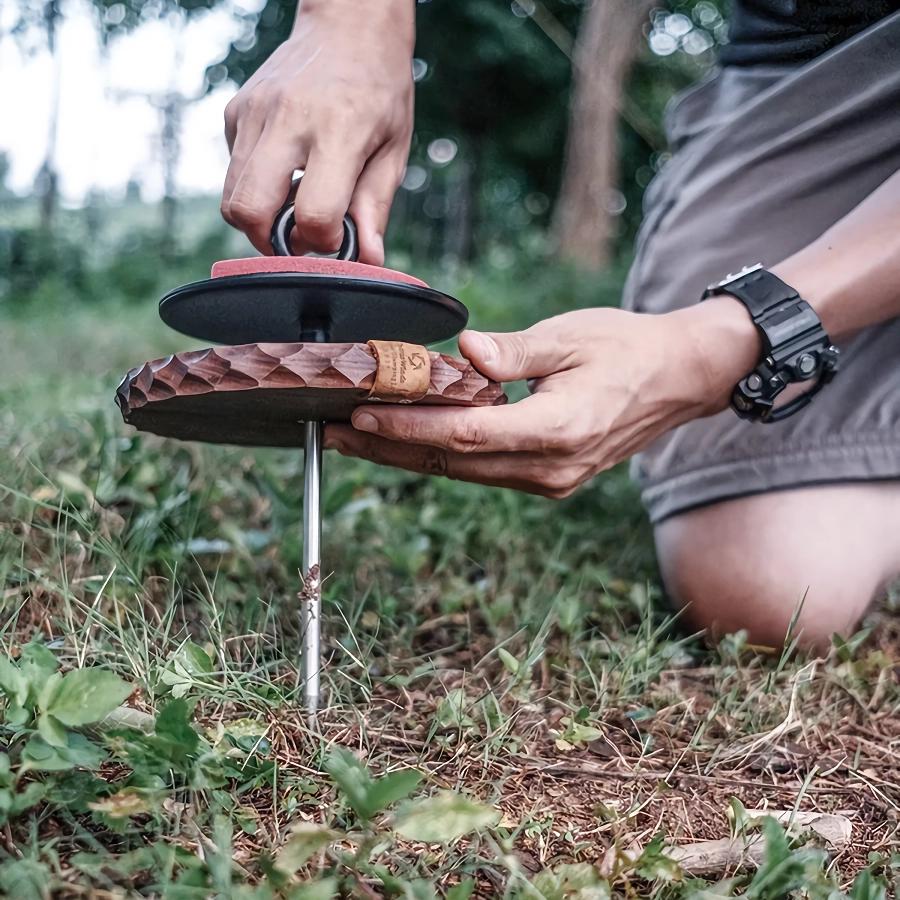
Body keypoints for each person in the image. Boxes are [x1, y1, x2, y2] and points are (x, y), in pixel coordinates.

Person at [220, 0, 900, 650]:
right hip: (811, 66)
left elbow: (720, 344)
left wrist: (717, 344)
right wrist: (349, 20)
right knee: (767, 584)